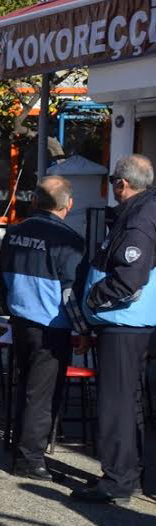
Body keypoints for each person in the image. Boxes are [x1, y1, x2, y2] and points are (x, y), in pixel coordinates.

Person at [74, 154, 156, 504]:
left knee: (117, 402)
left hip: (126, 323)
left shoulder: (138, 218)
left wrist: (93, 299)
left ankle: (118, 480)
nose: (112, 190)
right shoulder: (142, 211)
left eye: (112, 183)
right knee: (134, 402)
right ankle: (133, 474)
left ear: (123, 184)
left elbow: (130, 277)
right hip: (135, 323)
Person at [0, 176, 83, 481]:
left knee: (26, 386)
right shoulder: (69, 240)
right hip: (51, 325)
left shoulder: (15, 232)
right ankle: (30, 458)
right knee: (42, 394)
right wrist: (81, 328)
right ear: (68, 205)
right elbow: (69, 292)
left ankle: (19, 447)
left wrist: (11, 309)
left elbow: (0, 277)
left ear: (35, 202)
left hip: (20, 320)